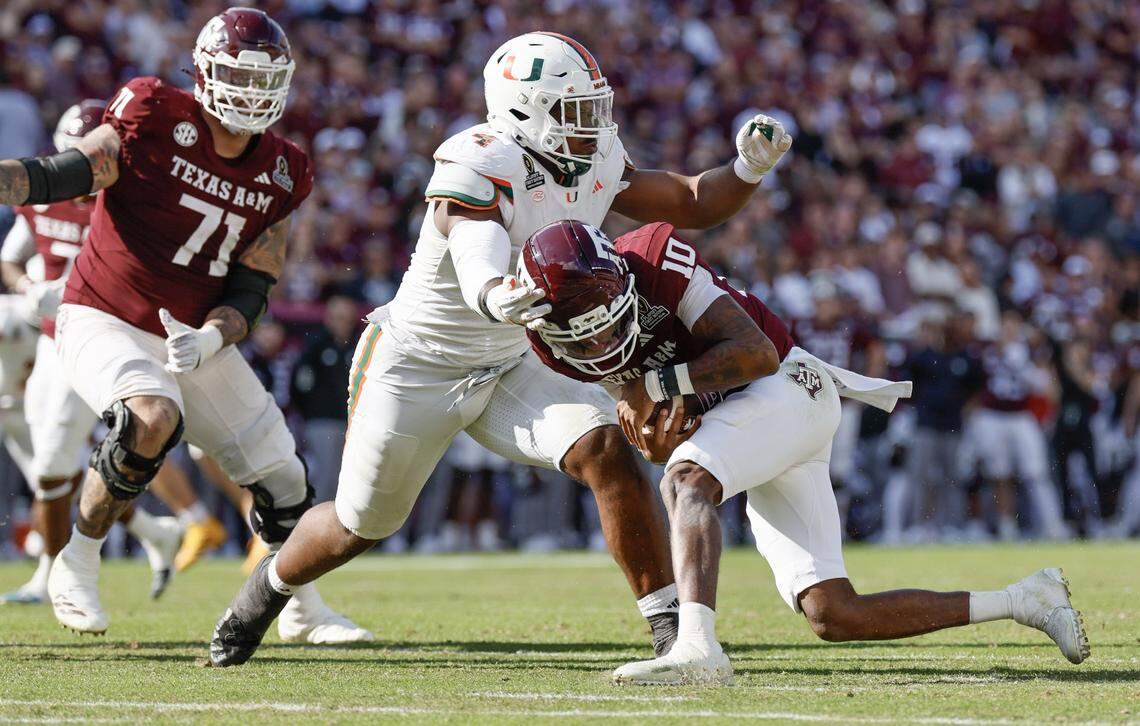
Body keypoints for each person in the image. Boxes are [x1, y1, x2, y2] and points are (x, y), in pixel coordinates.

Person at [208, 31, 792, 667]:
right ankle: (263, 594)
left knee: (604, 448)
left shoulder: (591, 158)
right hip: (420, 360)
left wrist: (746, 171)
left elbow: (688, 201)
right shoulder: (480, 157)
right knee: (361, 523)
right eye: (573, 112)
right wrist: (491, 290)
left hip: (514, 359)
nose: (592, 125)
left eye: (595, 107)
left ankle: (670, 630)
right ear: (523, 111)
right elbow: (473, 239)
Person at [520, 220, 1089, 684]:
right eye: (582, 335)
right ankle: (1025, 600)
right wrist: (659, 423)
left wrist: (663, 386)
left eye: (605, 324)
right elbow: (648, 423)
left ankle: (696, 648)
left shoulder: (655, 262)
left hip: (787, 386)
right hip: (752, 417)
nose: (598, 343)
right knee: (833, 613)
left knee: (687, 480)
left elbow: (756, 353)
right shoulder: (550, 344)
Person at [0, 7, 368, 643]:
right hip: (104, 312)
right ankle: (76, 562)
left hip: (193, 336)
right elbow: (70, 171)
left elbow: (256, 281)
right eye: (237, 77)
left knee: (285, 477)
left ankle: (300, 610)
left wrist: (213, 337)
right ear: (202, 71)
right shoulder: (152, 112)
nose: (251, 94)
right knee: (150, 416)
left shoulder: (285, 169)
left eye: (263, 80)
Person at [0, 101, 182, 603]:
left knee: (60, 460)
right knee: (53, 464)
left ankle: (60, 572)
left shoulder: (132, 203)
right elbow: (11, 259)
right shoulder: (43, 199)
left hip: (109, 337)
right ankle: (148, 530)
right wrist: (30, 290)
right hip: (51, 338)